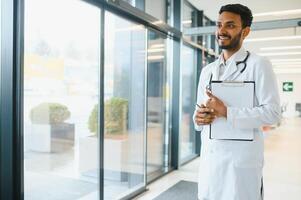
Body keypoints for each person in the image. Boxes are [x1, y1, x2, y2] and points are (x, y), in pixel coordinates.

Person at [193, 4, 281, 200]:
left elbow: (273, 113)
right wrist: (198, 118)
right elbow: (198, 111)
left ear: (245, 31)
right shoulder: (208, 71)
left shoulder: (259, 65)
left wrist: (227, 111)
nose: (222, 31)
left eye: (230, 25)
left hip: (241, 162)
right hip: (211, 159)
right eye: (219, 25)